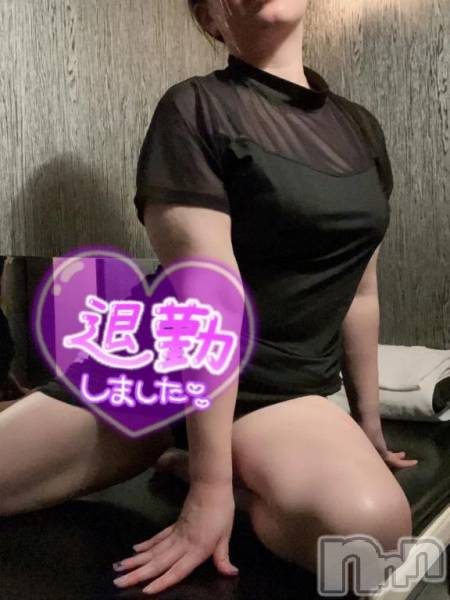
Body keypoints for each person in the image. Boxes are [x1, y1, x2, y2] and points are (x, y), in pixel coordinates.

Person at [1, 1, 418, 596]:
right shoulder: (193, 108)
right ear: (211, 19)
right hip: (153, 373)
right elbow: (207, 302)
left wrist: (367, 422)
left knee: (369, 542)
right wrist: (207, 488)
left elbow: (361, 291)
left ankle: (214, 468)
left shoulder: (361, 130)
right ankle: (193, 457)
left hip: (274, 391)